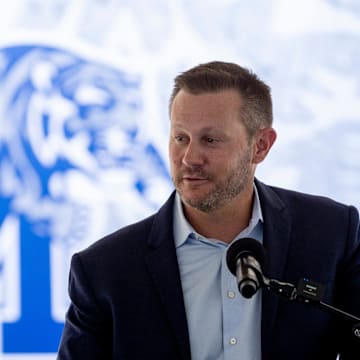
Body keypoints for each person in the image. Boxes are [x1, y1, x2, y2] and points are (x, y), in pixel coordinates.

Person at [57, 61, 360, 360]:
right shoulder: (104, 270)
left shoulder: (332, 233)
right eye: (180, 138)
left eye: (210, 140)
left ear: (261, 146)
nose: (189, 158)